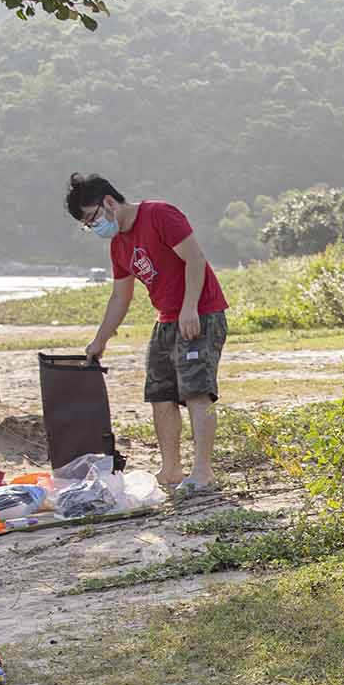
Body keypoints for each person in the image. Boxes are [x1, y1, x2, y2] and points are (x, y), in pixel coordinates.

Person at [65, 172, 229, 496]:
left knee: (197, 391)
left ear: (109, 202)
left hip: (201, 313)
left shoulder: (159, 215)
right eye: (87, 224)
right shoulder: (118, 246)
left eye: (91, 218)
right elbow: (120, 297)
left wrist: (190, 307)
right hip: (165, 320)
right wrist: (100, 340)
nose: (92, 226)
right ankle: (171, 470)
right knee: (160, 394)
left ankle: (202, 471)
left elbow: (195, 259)